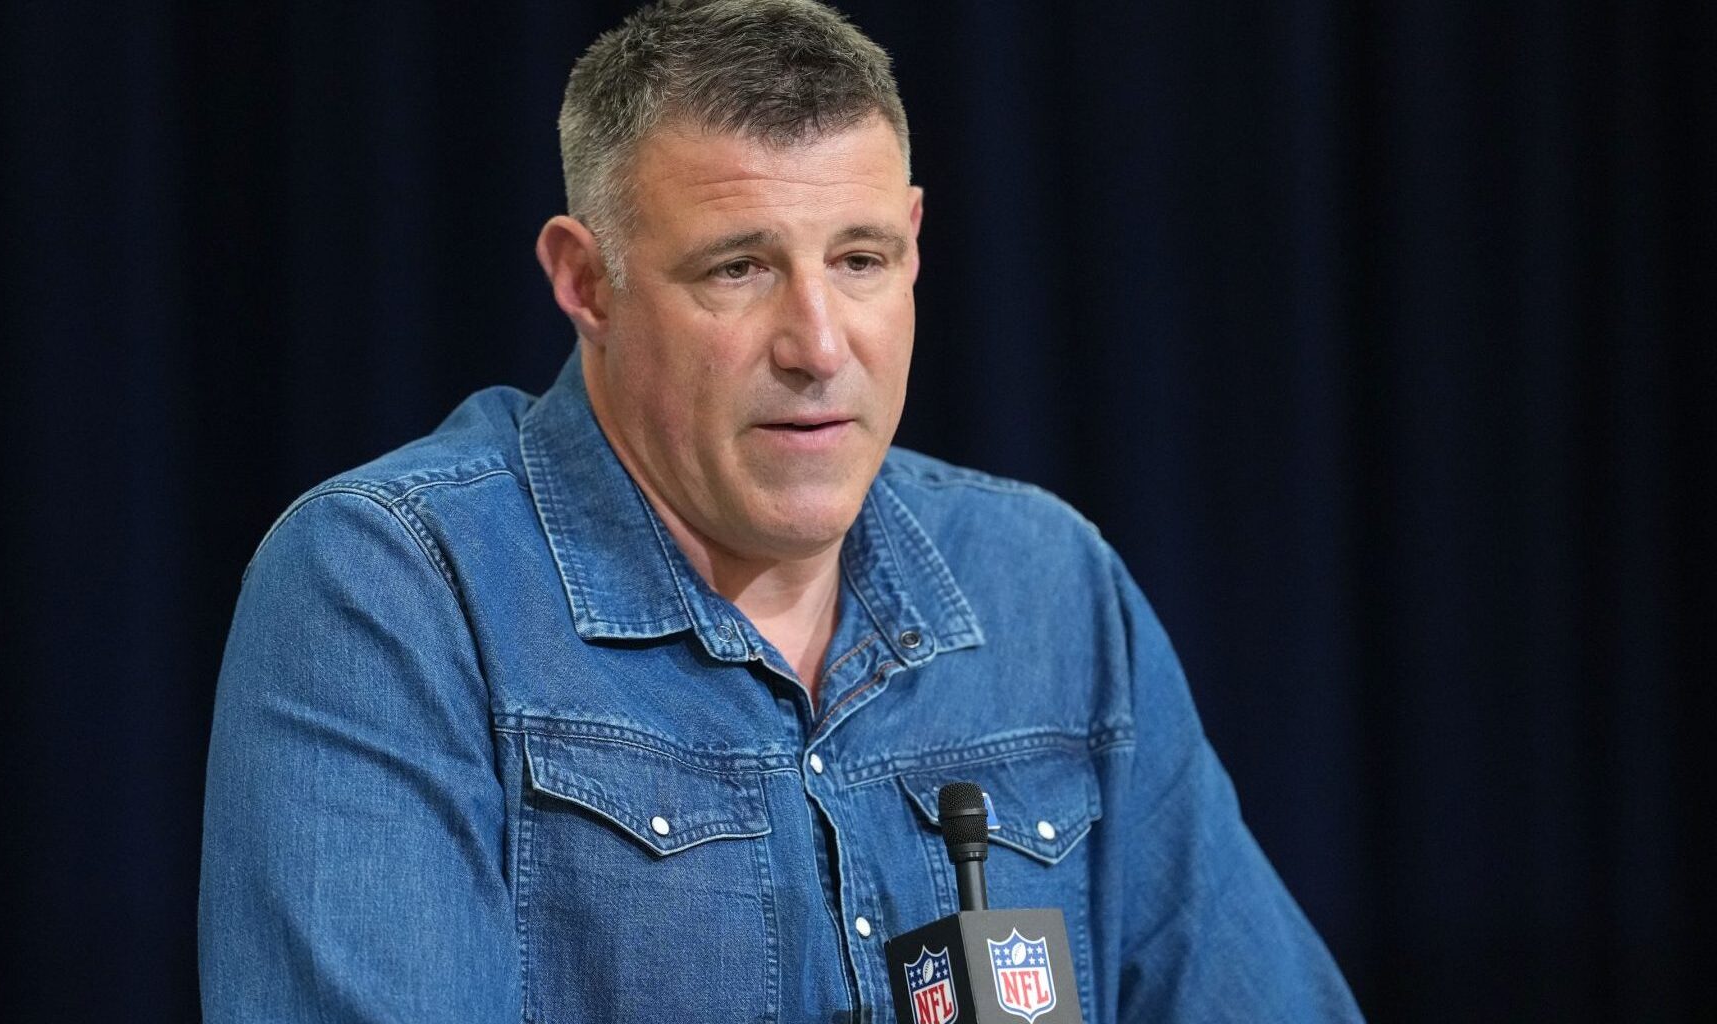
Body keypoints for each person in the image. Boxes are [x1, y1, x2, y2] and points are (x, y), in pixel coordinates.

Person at [198, 1, 1364, 1021]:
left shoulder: (1048, 584)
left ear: (915, 245)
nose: (817, 346)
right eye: (739, 269)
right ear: (586, 280)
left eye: (859, 259)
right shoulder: (395, 586)